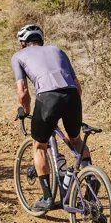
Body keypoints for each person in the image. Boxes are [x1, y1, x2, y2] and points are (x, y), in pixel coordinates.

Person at [11, 24, 92, 211]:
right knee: (76, 140)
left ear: (22, 44)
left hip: (47, 100)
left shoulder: (18, 56)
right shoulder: (57, 50)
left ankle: (47, 198)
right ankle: (91, 178)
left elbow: (23, 92)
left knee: (39, 146)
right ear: (41, 40)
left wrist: (26, 109)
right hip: (72, 96)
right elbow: (78, 89)